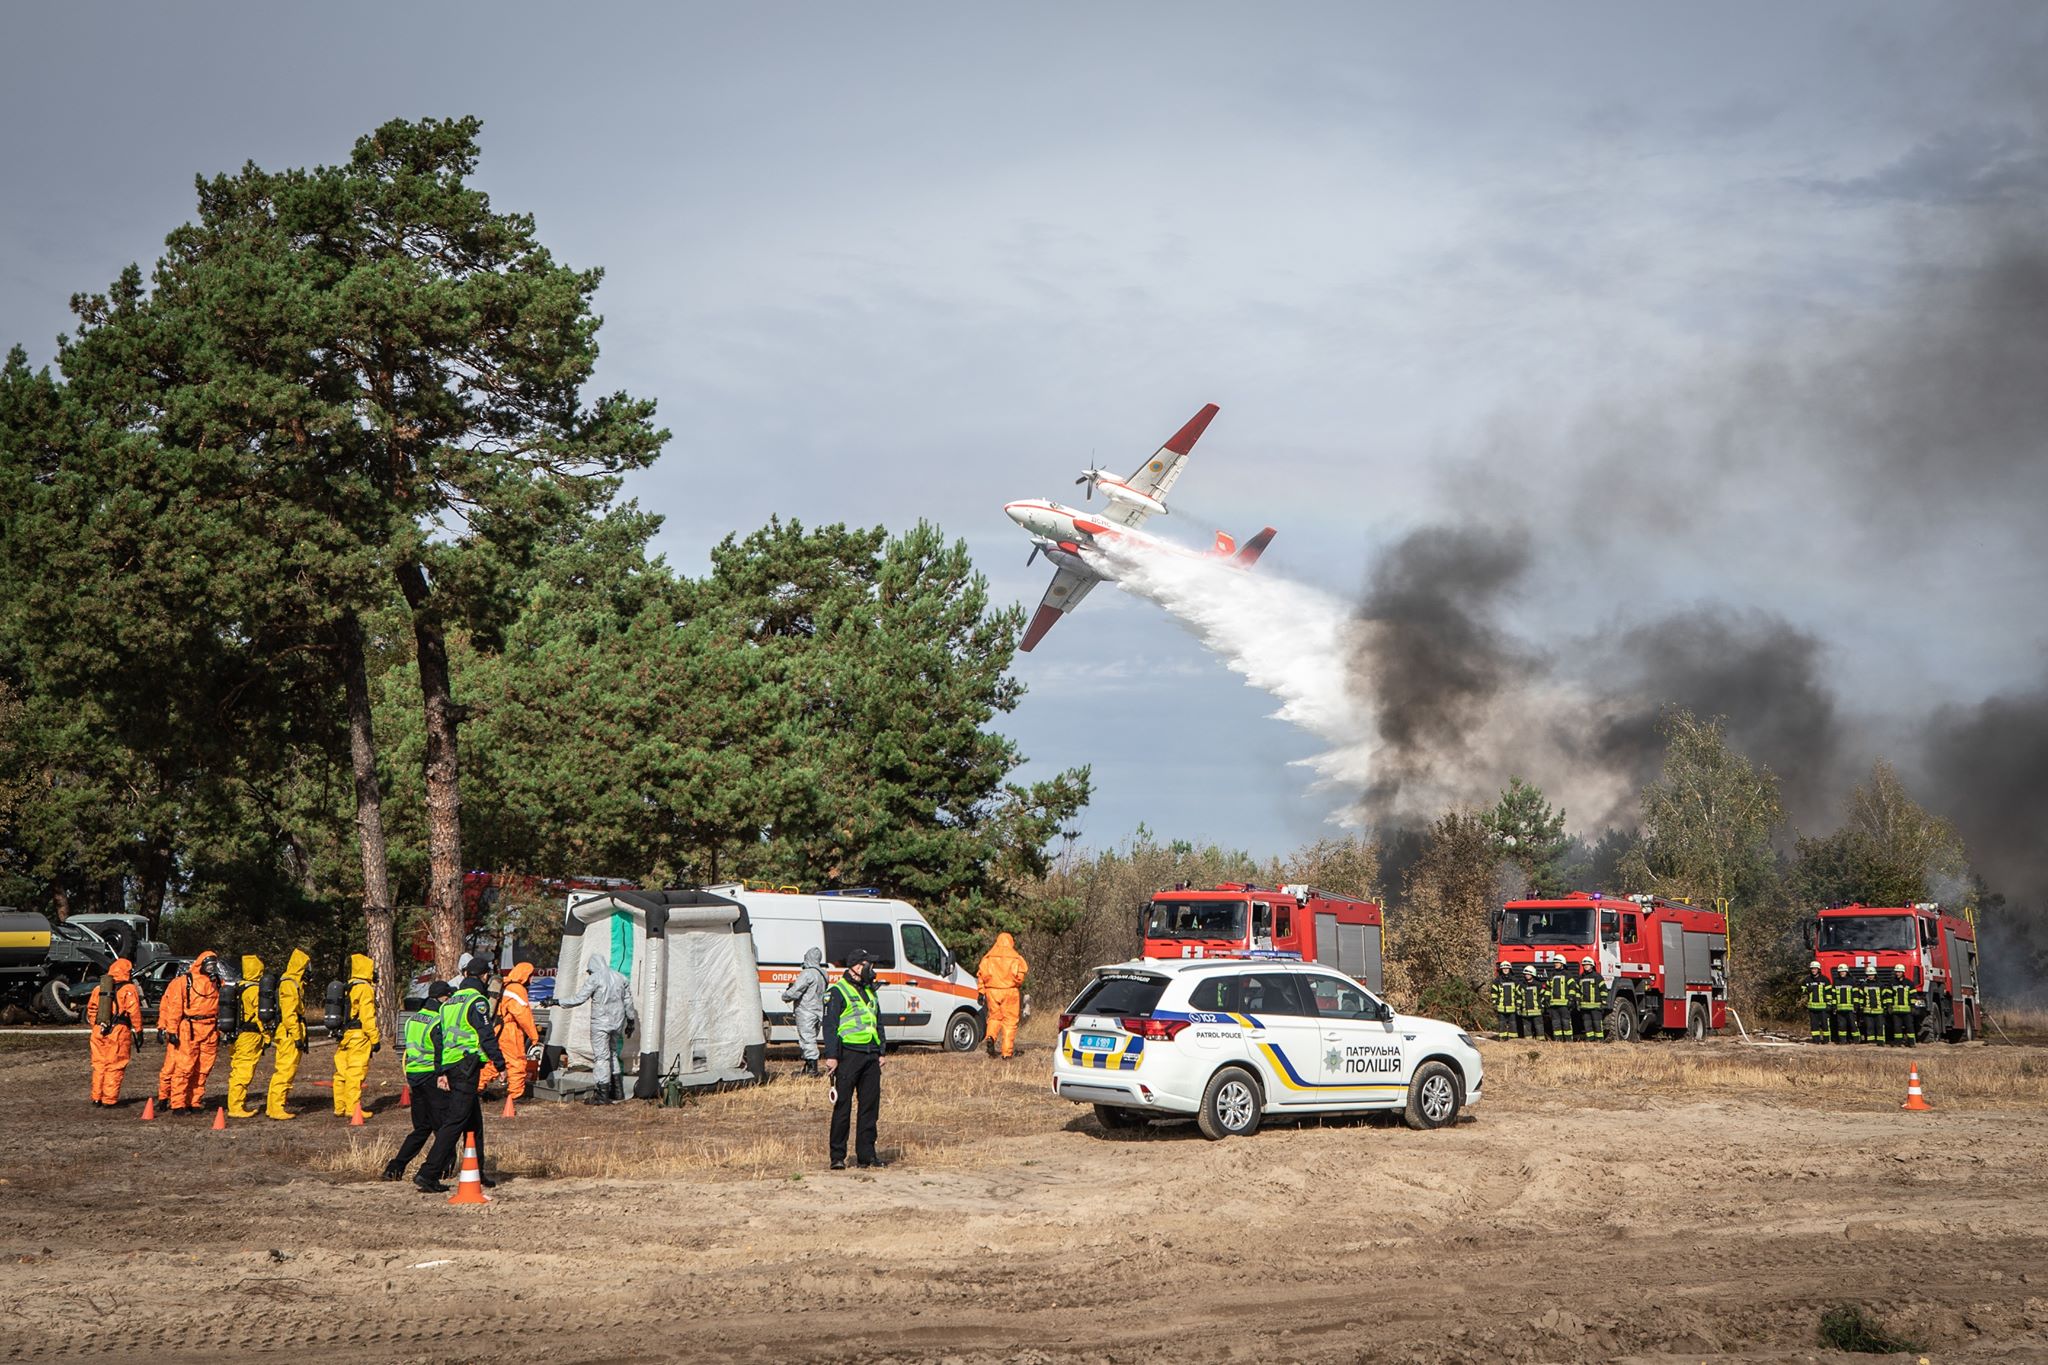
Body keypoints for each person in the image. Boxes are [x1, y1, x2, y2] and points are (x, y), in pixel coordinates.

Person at [417, 968, 507, 1193]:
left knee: (474, 1124)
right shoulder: (477, 1001)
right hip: (467, 1066)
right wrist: (500, 1065)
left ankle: (477, 1171)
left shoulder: (448, 1004)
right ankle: (428, 1173)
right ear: (483, 979)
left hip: (452, 1065)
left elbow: (440, 1039)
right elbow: (485, 1034)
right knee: (455, 1121)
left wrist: (441, 1072)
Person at [823, 948, 888, 1170]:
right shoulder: (837, 992)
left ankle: (867, 1156)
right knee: (843, 1106)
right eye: (870, 964)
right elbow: (830, 1026)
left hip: (870, 1056)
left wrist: (881, 1051)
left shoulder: (871, 991)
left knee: (870, 1107)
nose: (873, 968)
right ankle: (837, 1156)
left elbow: (877, 1022)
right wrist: (831, 1056)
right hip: (848, 1056)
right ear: (858, 967)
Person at [384, 982, 451, 1185]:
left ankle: (395, 1168)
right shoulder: (437, 1020)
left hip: (414, 1075)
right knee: (444, 1127)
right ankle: (441, 1169)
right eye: (448, 998)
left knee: (422, 1128)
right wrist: (444, 1074)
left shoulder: (413, 1019)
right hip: (431, 1075)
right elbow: (439, 1050)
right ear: (443, 998)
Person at [554, 954, 636, 1104]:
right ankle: (617, 1092)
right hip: (617, 1022)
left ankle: (602, 1095)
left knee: (601, 1058)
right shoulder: (620, 978)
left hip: (601, 1024)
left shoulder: (595, 978)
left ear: (593, 967)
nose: (590, 973)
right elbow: (628, 1002)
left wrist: (557, 1001)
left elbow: (578, 999)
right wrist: (631, 1022)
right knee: (612, 1054)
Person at [159, 951, 224, 1113]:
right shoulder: (184, 982)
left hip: (210, 1028)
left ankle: (194, 1101)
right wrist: (171, 1031)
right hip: (189, 1029)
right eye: (208, 965)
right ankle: (178, 1103)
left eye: (213, 965)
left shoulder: (216, 982)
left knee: (203, 1068)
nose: (211, 968)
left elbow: (223, 1005)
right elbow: (174, 1007)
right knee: (184, 1067)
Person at [86, 957, 144, 1106]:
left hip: (98, 1030)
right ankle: (109, 1100)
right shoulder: (128, 989)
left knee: (99, 1065)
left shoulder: (99, 988)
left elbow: (91, 1010)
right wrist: (138, 1030)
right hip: (118, 1031)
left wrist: (97, 1026)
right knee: (115, 1065)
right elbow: (134, 1011)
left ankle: (96, 1097)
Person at [480, 962, 539, 1100]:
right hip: (509, 1031)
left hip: (497, 1028)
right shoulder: (517, 989)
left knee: (493, 1061)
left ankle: (477, 1086)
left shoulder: (504, 985)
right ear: (525, 975)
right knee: (516, 1061)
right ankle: (515, 1094)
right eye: (531, 976)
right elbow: (523, 1015)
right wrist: (534, 1036)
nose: (531, 980)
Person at [331, 952, 380, 1117]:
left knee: (341, 1072)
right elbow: (367, 1016)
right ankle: (353, 1109)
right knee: (355, 1072)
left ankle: (340, 1107)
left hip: (345, 1034)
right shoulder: (364, 988)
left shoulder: (348, 986)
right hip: (359, 1036)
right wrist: (375, 1038)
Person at [225, 953, 273, 1118]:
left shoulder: (239, 986)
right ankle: (236, 1107)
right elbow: (259, 1015)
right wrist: (267, 1036)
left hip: (238, 1035)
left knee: (237, 1069)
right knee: (243, 1071)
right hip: (249, 1036)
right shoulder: (253, 990)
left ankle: (237, 1103)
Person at [266, 948, 311, 1120]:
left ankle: (273, 1106)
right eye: (306, 967)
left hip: (287, 1031)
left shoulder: (292, 982)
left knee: (283, 1069)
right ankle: (277, 1107)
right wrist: (297, 1036)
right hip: (289, 1033)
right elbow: (289, 1013)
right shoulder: (290, 984)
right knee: (286, 1070)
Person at [976, 932, 1029, 1060]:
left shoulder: (987, 958)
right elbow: (1020, 977)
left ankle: (990, 1037)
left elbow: (981, 975)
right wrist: (1013, 983)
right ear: (1011, 942)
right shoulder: (1016, 958)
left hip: (992, 992)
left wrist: (981, 992)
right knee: (1010, 1022)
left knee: (994, 1018)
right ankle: (1006, 1053)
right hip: (1010, 992)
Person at [781, 948, 829, 1076]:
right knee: (811, 1038)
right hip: (818, 1010)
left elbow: (796, 991)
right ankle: (808, 1066)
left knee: (807, 1039)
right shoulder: (823, 974)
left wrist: (785, 995)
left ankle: (812, 1069)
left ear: (808, 957)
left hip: (806, 1010)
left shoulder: (807, 973)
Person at [1574, 958, 1607, 1042]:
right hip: (1584, 1006)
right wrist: (1578, 1001)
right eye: (1584, 965)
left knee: (1597, 1024)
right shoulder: (1581, 977)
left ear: (1592, 966)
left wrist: (1603, 1001)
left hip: (1596, 1005)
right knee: (1587, 1024)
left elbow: (1603, 990)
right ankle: (1590, 1039)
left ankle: (1599, 1039)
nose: (1585, 966)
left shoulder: (1597, 976)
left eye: (1587, 965)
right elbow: (1577, 990)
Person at [1829, 965, 1860, 1044]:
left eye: (1843, 971)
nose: (1842, 973)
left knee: (1853, 1025)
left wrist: (1855, 1006)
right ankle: (1842, 1041)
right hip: (1840, 1009)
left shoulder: (1852, 981)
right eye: (1840, 972)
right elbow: (1834, 995)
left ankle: (1856, 1040)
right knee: (1841, 1026)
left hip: (1850, 1008)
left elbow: (1855, 995)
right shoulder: (1836, 981)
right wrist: (1834, 1007)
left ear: (1847, 972)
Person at [1543, 966, 1573, 1042]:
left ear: (1562, 964)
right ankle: (1558, 1041)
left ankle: (1568, 1041)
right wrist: (1546, 998)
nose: (1556, 964)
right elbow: (1548, 988)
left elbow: (1572, 987)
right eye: (1555, 963)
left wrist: (1571, 999)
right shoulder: (1551, 975)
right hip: (1553, 1004)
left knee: (1566, 1022)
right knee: (1555, 1023)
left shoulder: (1567, 975)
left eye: (1558, 963)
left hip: (1564, 1004)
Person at [1803, 961, 1830, 1044]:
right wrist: (1807, 989)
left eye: (1815, 969)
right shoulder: (1807, 979)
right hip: (1812, 1007)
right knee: (1814, 1025)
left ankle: (1826, 1040)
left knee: (1825, 1025)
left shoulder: (1825, 979)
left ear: (1819, 969)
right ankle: (1816, 1040)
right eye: (1812, 969)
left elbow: (1829, 992)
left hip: (1823, 1007)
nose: (1813, 970)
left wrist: (1829, 1004)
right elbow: (1802, 990)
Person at [1860, 965, 1887, 1045]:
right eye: (1868, 975)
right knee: (1869, 1027)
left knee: (1880, 1026)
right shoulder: (1863, 985)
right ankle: (1871, 1041)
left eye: (1871, 975)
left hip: (1879, 1010)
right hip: (1868, 1010)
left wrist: (1885, 1007)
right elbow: (1861, 997)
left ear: (1875, 975)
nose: (1870, 976)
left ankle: (1880, 1041)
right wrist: (1861, 1007)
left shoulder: (1881, 985)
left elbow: (1884, 997)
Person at [1489, 963, 1516, 1038]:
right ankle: (1502, 1038)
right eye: (1504, 969)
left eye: (1507, 968)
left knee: (1513, 1023)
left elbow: (1518, 992)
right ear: (1501, 970)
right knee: (1502, 1023)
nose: (1505, 970)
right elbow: (1494, 992)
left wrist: (1518, 1003)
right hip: (1501, 1006)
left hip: (1512, 1007)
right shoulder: (1497, 980)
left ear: (1510, 969)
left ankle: (1513, 1039)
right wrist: (1495, 1002)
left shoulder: (1514, 980)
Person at [1517, 965, 1544, 1040]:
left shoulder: (1538, 985)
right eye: (1525, 974)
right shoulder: (1521, 985)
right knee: (1526, 1028)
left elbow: (1543, 997)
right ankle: (1528, 1043)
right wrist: (1518, 1008)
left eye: (1528, 974)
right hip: (1525, 1012)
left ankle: (1540, 1042)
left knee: (1539, 1027)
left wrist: (1542, 1006)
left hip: (1537, 1011)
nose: (1527, 976)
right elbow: (1519, 997)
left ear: (1533, 974)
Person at [1890, 974, 1917, 1048]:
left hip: (1907, 1010)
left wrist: (1912, 1006)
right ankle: (1898, 1042)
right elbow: (1889, 995)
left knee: (1909, 1026)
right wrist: (1889, 1006)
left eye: (1899, 972)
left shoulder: (1909, 983)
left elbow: (1913, 995)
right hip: (1896, 1010)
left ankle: (1911, 1042)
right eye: (1896, 972)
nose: (1898, 973)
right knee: (1897, 1027)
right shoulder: (1892, 983)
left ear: (1903, 972)